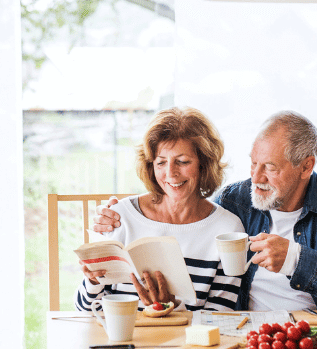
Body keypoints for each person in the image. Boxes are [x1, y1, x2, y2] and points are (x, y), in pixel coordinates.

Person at [94, 110, 317, 311]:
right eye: (253, 163)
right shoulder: (237, 199)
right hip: (243, 332)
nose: (256, 178)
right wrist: (121, 214)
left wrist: (296, 259)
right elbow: (180, 201)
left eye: (269, 168)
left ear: (306, 166)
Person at [75, 107, 245, 313]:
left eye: (182, 162)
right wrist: (93, 282)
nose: (171, 173)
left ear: (204, 164)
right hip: (124, 341)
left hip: (188, 344)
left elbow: (220, 316)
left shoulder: (227, 229)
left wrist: (172, 309)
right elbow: (84, 310)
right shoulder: (118, 217)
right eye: (161, 162)